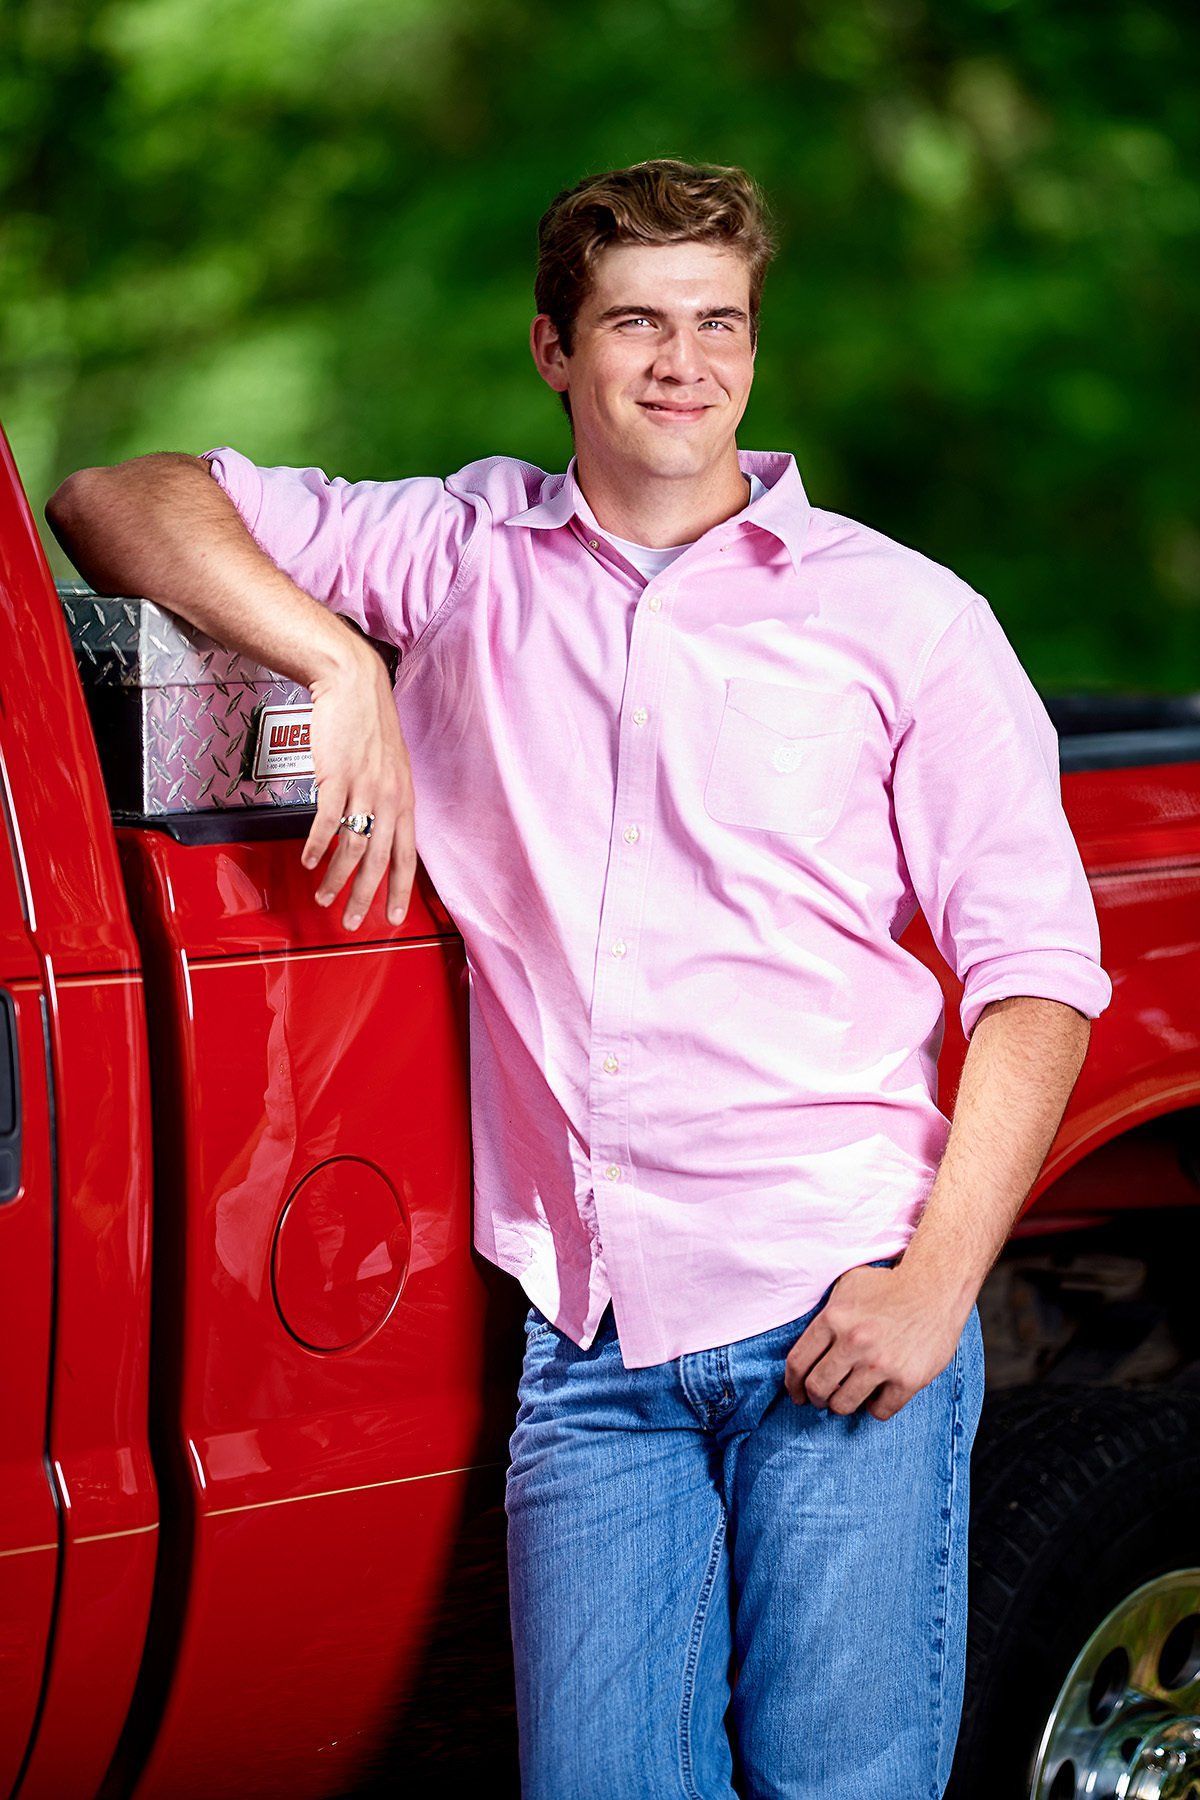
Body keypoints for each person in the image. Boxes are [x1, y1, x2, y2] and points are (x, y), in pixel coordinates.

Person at [46, 157, 1112, 1799]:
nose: (683, 363)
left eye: (719, 323)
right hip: (592, 1339)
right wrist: (340, 653)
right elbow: (118, 497)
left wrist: (933, 1286)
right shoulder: (455, 554)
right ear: (556, 348)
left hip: (841, 1298)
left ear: (754, 345)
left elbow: (1036, 978)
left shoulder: (906, 618)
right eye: (636, 323)